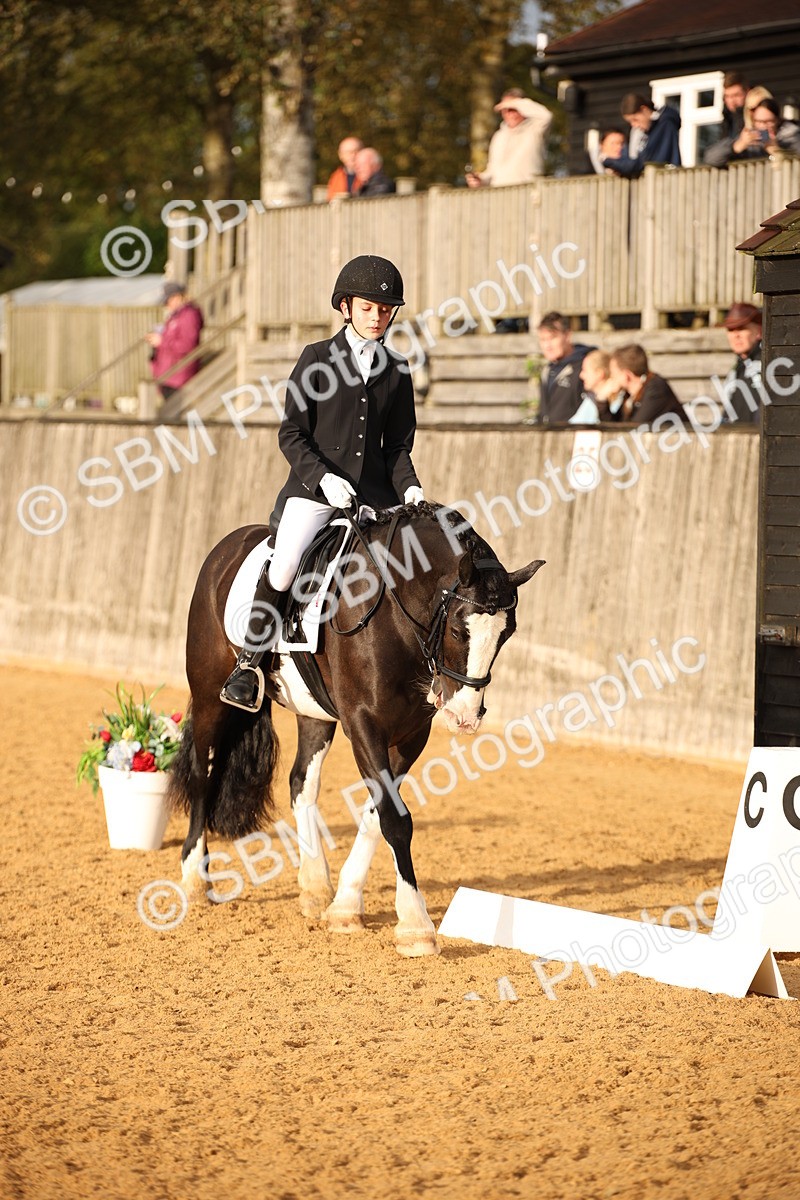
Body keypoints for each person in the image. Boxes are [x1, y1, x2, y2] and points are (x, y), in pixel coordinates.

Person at [220, 255, 424, 711]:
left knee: (414, 566)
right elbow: (291, 433)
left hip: (375, 500)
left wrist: (409, 487)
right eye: (369, 307)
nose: (377, 317)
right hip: (315, 493)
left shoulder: (398, 369)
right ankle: (249, 664)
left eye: (385, 310)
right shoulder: (316, 358)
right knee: (287, 561)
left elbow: (396, 448)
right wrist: (325, 479)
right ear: (346, 307)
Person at [465, 88, 553, 188]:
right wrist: (480, 179)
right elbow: (493, 170)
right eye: (505, 110)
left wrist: (516, 103)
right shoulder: (499, 136)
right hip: (502, 195)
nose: (509, 114)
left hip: (528, 192)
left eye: (513, 109)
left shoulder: (535, 130)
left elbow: (546, 116)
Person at [704, 94, 800, 166]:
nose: (763, 126)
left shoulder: (791, 136)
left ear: (778, 120)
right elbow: (710, 158)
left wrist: (778, 150)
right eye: (759, 121)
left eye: (768, 121)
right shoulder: (749, 141)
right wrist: (736, 147)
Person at [146, 282, 204, 400]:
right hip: (169, 375)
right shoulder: (176, 316)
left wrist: (161, 342)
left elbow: (187, 346)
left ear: (177, 297)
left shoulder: (189, 315)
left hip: (178, 376)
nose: (166, 305)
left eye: (167, 301)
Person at [602, 344, 688, 424]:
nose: (611, 377)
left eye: (613, 373)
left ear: (626, 376)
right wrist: (602, 400)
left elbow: (634, 428)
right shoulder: (630, 395)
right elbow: (613, 426)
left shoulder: (656, 389)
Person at [533, 312, 592, 424]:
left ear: (567, 336)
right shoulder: (547, 371)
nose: (547, 346)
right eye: (543, 340)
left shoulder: (586, 368)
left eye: (552, 338)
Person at [602, 93, 681, 177]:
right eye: (630, 122)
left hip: (666, 180)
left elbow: (642, 163)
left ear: (644, 109)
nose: (634, 125)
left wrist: (608, 161)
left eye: (635, 119)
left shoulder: (664, 126)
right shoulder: (644, 130)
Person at [720, 302, 763, 425]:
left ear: (759, 331)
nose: (736, 335)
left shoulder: (769, 366)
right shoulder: (736, 369)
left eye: (742, 328)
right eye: (731, 329)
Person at [571, 349, 614, 423]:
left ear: (599, 374)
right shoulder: (590, 399)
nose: (581, 375)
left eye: (585, 370)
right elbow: (574, 425)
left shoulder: (616, 402)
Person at [326, 137, 363, 201]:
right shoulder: (336, 177)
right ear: (341, 155)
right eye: (349, 152)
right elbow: (330, 199)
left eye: (356, 151)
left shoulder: (369, 175)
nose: (353, 155)